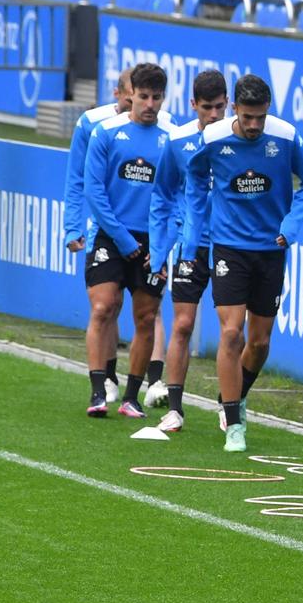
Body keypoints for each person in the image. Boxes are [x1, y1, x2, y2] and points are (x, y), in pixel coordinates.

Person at [187, 73, 303, 454]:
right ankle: (233, 422)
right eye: (247, 117)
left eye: (260, 117)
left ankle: (235, 395)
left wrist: (291, 225)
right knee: (232, 333)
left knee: (260, 342)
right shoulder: (213, 138)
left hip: (271, 248)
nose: (253, 125)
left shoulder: (285, 136)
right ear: (234, 109)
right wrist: (200, 222)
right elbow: (194, 177)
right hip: (228, 246)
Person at [81, 61, 171, 419]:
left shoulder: (171, 138)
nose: (149, 104)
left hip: (152, 241)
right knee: (103, 306)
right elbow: (94, 190)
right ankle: (98, 390)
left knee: (146, 317)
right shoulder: (105, 132)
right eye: (144, 96)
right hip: (112, 235)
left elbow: (177, 196)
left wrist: (162, 247)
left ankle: (132, 398)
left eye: (157, 97)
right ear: (129, 94)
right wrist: (121, 238)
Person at [144, 68, 228, 433]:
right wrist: (159, 250)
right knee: (182, 324)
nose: (213, 115)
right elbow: (162, 194)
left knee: (232, 331)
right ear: (193, 104)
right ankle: (175, 408)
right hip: (191, 248)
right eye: (207, 107)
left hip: (231, 246)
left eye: (220, 107)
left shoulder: (238, 138)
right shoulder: (177, 142)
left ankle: (229, 406)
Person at [64, 70, 133, 394]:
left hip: (143, 232)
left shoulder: (163, 127)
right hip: (102, 229)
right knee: (106, 303)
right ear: (117, 93)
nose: (139, 106)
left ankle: (149, 381)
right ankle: (106, 377)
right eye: (131, 99)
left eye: (147, 98)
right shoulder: (93, 124)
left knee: (143, 311)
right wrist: (73, 227)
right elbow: (77, 180)